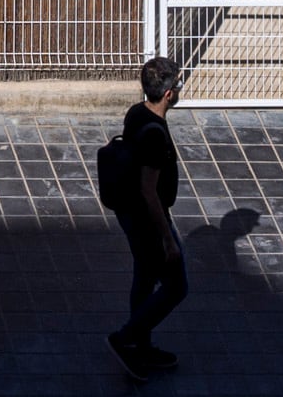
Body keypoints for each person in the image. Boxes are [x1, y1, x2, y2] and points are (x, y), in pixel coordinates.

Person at [102, 53, 187, 375]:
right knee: (177, 285)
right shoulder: (154, 134)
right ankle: (126, 340)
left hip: (130, 213)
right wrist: (167, 238)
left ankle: (142, 346)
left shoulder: (136, 113)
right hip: (147, 218)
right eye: (177, 85)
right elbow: (149, 191)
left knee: (145, 277)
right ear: (168, 94)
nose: (178, 90)